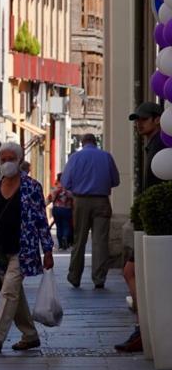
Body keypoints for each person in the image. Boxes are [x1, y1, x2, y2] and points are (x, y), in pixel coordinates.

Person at [0, 142, 55, 354]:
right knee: (14, 293)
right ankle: (30, 335)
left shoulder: (32, 187)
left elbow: (41, 220)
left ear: (20, 160)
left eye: (11, 159)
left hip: (23, 249)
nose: (6, 163)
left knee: (8, 291)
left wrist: (47, 250)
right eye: (2, 160)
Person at [116, 101, 168, 352]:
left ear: (158, 120)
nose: (139, 124)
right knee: (132, 271)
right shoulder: (152, 146)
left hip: (156, 221)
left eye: (143, 119)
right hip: (150, 218)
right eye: (137, 120)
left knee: (131, 272)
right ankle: (142, 325)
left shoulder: (159, 147)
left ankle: (143, 326)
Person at [59, 132, 120, 289]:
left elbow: (65, 182)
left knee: (79, 239)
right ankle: (99, 278)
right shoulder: (106, 156)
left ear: (83, 142)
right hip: (101, 200)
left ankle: (74, 276)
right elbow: (115, 181)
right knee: (100, 241)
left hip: (80, 201)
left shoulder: (74, 158)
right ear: (95, 142)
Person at [47, 172, 74, 250]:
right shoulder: (69, 189)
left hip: (56, 209)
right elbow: (74, 199)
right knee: (66, 226)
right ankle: (65, 237)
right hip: (67, 210)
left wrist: (42, 206)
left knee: (59, 227)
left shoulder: (55, 189)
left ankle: (61, 245)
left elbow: (49, 199)